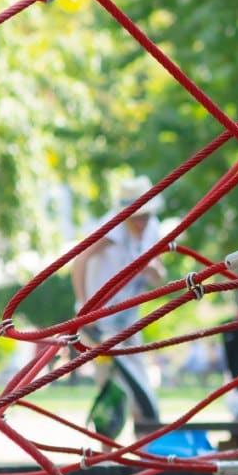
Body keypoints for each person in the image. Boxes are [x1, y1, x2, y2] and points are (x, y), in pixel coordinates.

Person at [71, 175, 166, 435]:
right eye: (137, 216)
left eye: (145, 216)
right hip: (99, 322)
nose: (142, 222)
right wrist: (83, 308)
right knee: (112, 385)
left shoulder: (152, 229)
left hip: (129, 318)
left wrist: (152, 269)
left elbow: (158, 274)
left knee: (139, 382)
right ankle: (106, 451)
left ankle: (144, 448)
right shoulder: (112, 227)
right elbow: (79, 260)